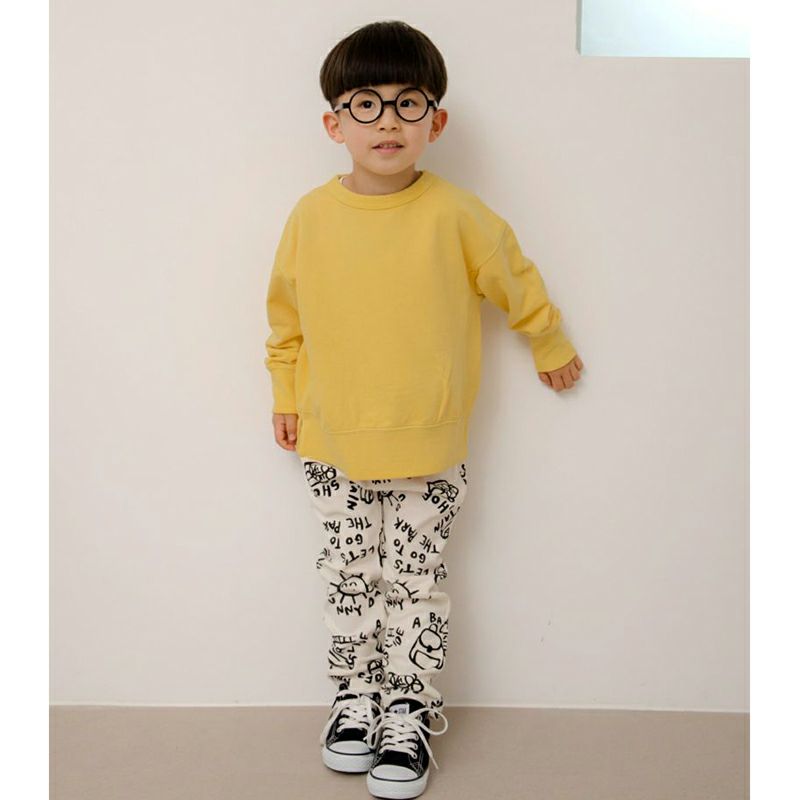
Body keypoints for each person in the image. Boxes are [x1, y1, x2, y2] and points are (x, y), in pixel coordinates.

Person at [264, 19, 584, 800]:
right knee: (349, 577)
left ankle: (408, 707)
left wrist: (548, 341)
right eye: (366, 104)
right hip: (333, 441)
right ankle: (355, 698)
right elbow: (286, 320)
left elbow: (514, 276)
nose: (388, 121)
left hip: (429, 446)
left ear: (435, 123)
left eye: (408, 103)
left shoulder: (458, 214)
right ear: (334, 124)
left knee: (416, 582)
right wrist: (285, 395)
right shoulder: (310, 217)